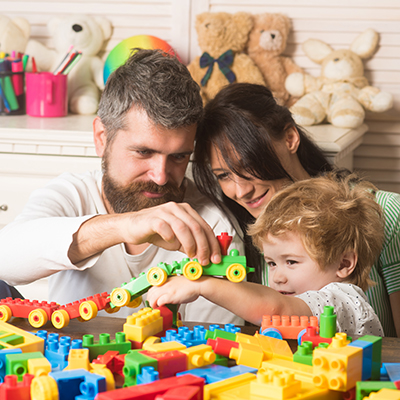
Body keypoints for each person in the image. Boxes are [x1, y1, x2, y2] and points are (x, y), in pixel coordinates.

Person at [0, 49, 244, 324]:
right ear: (102, 138)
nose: (161, 176)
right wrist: (125, 225)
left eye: (178, 156)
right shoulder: (72, 194)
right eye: (143, 152)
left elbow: (214, 349)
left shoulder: (211, 225)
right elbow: (5, 260)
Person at [191, 83, 400, 337]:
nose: (241, 191)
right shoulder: (250, 234)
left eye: (247, 164)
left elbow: (280, 309)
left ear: (290, 139)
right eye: (223, 175)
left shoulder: (386, 213)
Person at [147, 174, 385, 337]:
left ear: (344, 264)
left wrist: (203, 285)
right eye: (271, 263)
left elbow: (278, 310)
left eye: (291, 262)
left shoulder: (343, 300)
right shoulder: (301, 300)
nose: (278, 277)